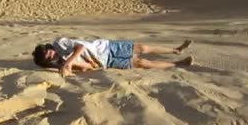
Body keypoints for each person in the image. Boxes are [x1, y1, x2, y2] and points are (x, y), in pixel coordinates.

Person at [31, 37, 194, 77]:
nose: (51, 55)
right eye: (48, 58)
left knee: (143, 47)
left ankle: (175, 50)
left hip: (106, 46)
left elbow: (80, 47)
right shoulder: (62, 64)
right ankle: (178, 64)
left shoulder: (59, 43)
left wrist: (68, 62)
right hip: (107, 61)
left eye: (48, 52)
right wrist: (71, 67)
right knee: (143, 63)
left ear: (49, 48)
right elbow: (90, 67)